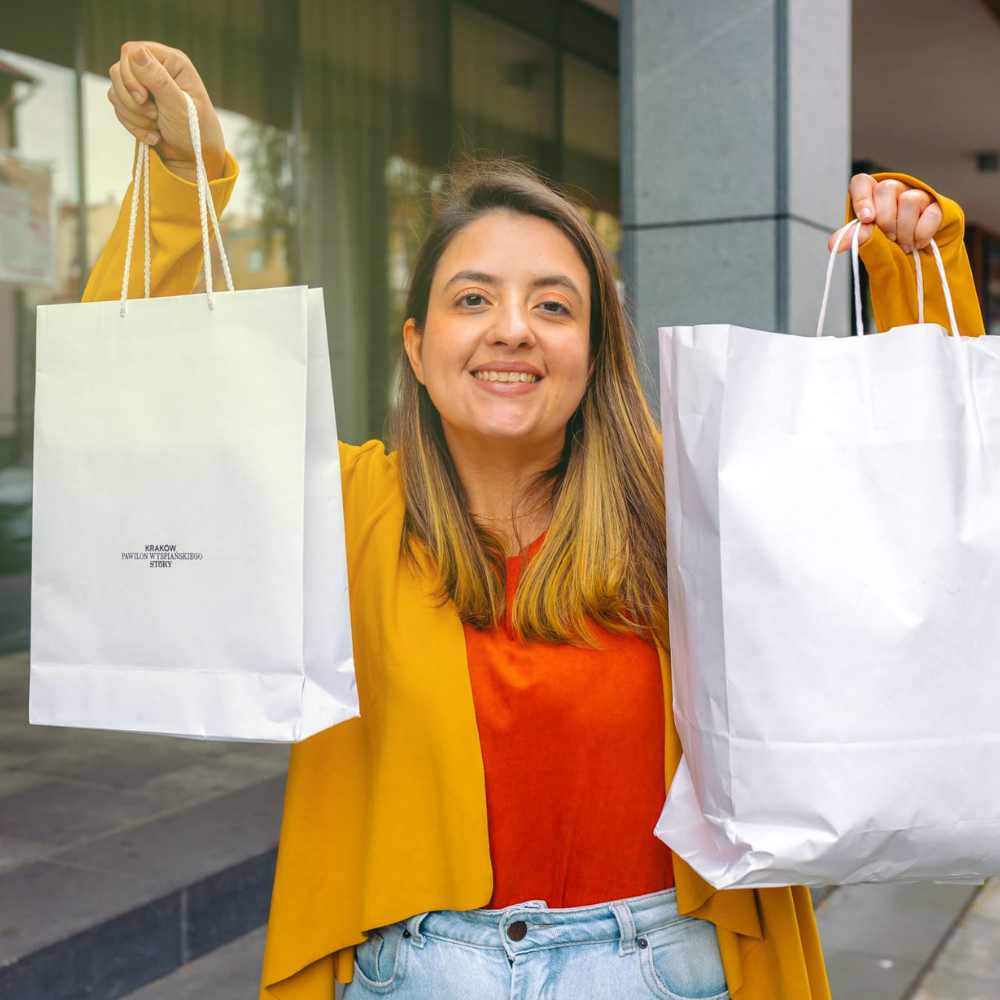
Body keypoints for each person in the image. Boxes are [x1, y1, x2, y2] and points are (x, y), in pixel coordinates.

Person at [89, 41, 985, 1000]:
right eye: (472, 299)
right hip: (412, 976)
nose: (512, 327)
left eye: (553, 305)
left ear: (593, 352)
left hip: (675, 972)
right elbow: (150, 424)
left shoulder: (691, 508)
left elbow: (908, 523)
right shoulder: (345, 508)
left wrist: (908, 266)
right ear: (418, 347)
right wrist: (186, 179)